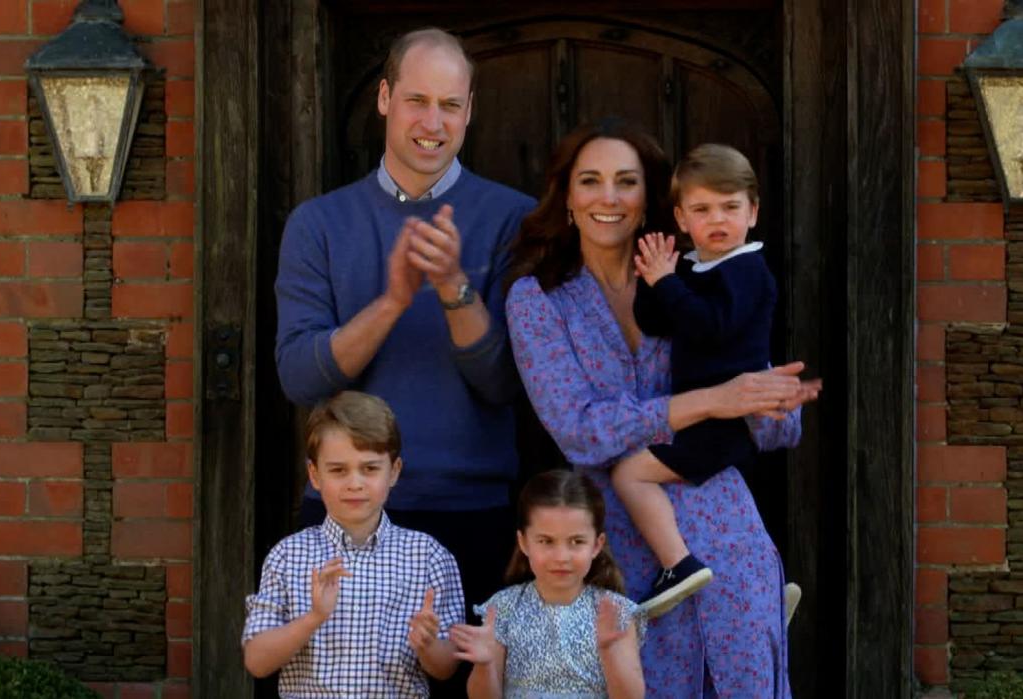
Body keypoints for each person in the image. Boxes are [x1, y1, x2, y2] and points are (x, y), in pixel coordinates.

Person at [504, 119, 817, 698]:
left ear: (649, 199)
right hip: (616, 550)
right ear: (567, 198)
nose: (608, 197)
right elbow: (580, 432)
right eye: (590, 181)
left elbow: (770, 425)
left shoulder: (698, 276)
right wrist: (711, 401)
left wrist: (774, 402)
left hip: (727, 537)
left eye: (626, 181)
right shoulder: (538, 299)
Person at [273, 28, 533, 695]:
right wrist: (391, 301)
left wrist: (453, 289)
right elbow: (300, 377)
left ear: (470, 110)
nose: (433, 122)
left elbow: (506, 382)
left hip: (475, 517)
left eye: (450, 105)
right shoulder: (318, 223)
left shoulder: (515, 220)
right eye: (417, 100)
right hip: (345, 522)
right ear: (384, 98)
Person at [612, 144, 821, 616]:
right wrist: (653, 278)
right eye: (702, 209)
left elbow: (710, 326)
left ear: (753, 211)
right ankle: (766, 593)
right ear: (682, 219)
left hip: (724, 421)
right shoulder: (694, 267)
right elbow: (655, 322)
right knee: (730, 511)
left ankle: (677, 565)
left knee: (630, 473)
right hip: (705, 414)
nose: (718, 219)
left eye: (730, 207)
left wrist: (668, 283)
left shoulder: (748, 271)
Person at [242, 392, 463, 697]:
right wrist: (313, 618)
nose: (355, 483)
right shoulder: (288, 556)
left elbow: (447, 667)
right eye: (338, 470)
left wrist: (427, 645)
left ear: (394, 471)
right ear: (314, 475)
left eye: (370, 468)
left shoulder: (429, 557)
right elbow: (256, 661)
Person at [449, 470, 645, 699]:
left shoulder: (615, 612)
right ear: (523, 542)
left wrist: (610, 653)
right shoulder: (503, 608)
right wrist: (485, 665)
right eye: (546, 541)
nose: (561, 556)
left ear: (596, 545)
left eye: (576, 542)